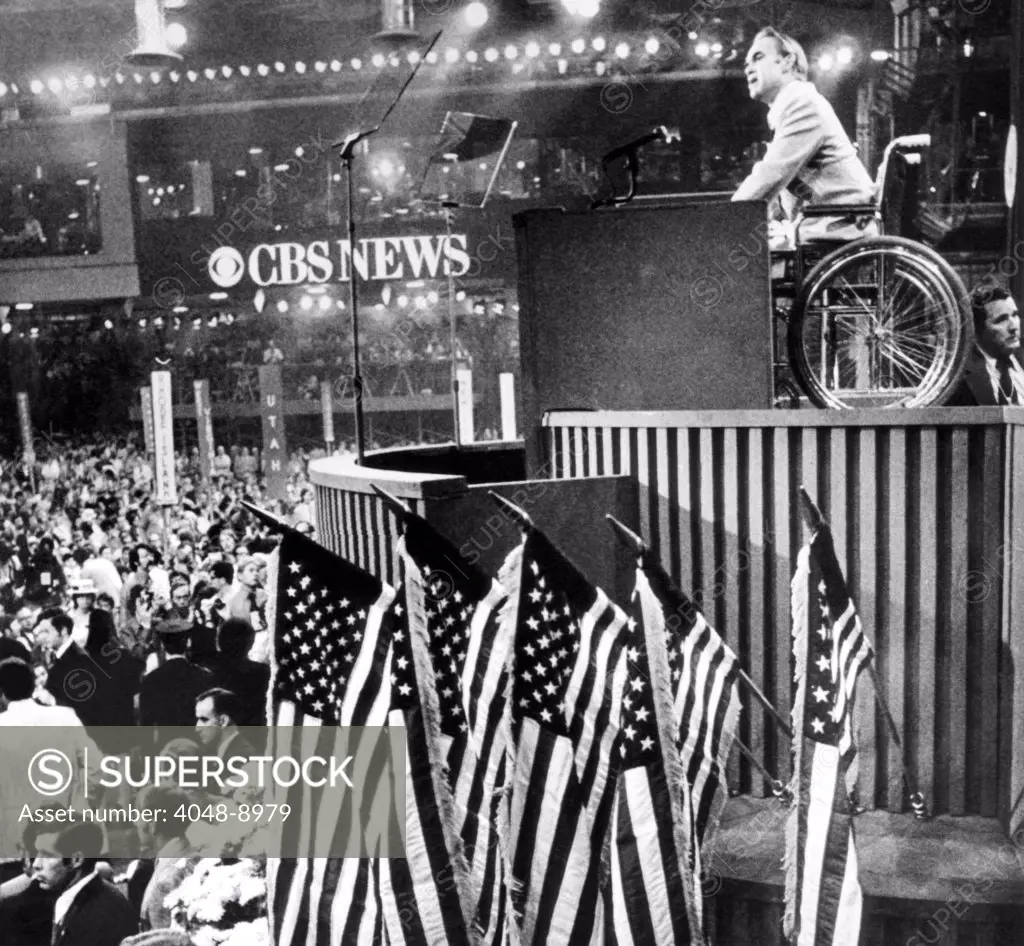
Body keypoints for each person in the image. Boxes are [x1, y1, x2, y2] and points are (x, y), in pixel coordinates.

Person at [732, 27, 877, 246]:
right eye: (746, 63)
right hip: (830, 221)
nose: (748, 68)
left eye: (758, 57)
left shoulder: (802, 103)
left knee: (751, 258)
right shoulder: (792, 106)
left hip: (840, 225)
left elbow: (771, 174)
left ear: (788, 61)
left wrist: (726, 218)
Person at [29, 822, 137, 946]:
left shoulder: (102, 915)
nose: (36, 864)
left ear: (77, 860)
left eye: (47, 855)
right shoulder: (70, 896)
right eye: (37, 853)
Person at [947, 285, 1024, 406]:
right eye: (1001, 320)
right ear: (976, 330)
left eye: (1015, 315)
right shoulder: (957, 377)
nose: (1013, 327)